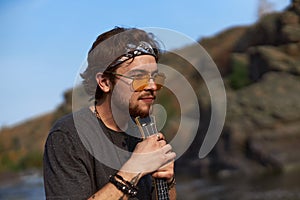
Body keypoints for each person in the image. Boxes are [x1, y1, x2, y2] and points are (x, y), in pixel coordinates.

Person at [43, 27, 177, 200]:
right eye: (139, 77)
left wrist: (168, 181)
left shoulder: (145, 133)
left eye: (154, 77)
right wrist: (133, 169)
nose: (152, 86)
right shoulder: (68, 136)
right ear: (105, 82)